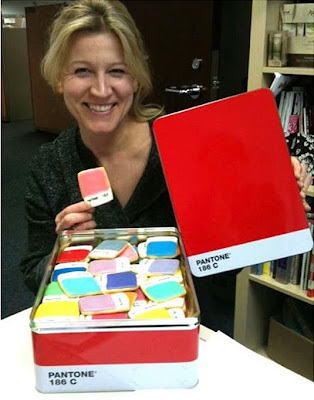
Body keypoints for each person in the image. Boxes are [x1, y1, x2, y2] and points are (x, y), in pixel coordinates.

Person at [20, 0, 312, 318]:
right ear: (59, 79)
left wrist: (272, 206)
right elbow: (35, 275)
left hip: (189, 329)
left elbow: (223, 273)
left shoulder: (188, 147)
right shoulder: (49, 166)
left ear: (135, 79)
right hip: (98, 335)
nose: (101, 90)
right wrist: (63, 253)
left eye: (117, 71)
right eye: (82, 71)